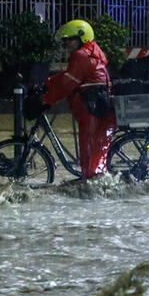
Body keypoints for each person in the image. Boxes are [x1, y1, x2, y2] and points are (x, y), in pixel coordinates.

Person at [40, 19, 116, 179]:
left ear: (82, 38)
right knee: (94, 152)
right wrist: (48, 83)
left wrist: (46, 101)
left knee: (89, 154)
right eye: (65, 39)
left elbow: (68, 84)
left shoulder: (81, 56)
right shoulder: (91, 52)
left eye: (70, 39)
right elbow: (69, 75)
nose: (67, 43)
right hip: (96, 109)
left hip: (91, 110)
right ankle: (92, 183)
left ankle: (91, 190)